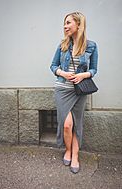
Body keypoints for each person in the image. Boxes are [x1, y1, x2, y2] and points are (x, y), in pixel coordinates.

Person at [50, 12, 98, 174]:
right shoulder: (62, 45)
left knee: (76, 125)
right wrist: (63, 73)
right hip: (62, 89)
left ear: (79, 24)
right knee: (66, 125)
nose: (65, 26)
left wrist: (83, 75)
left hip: (79, 91)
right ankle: (68, 150)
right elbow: (53, 66)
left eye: (68, 23)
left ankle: (74, 155)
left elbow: (93, 69)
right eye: (64, 23)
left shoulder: (91, 46)